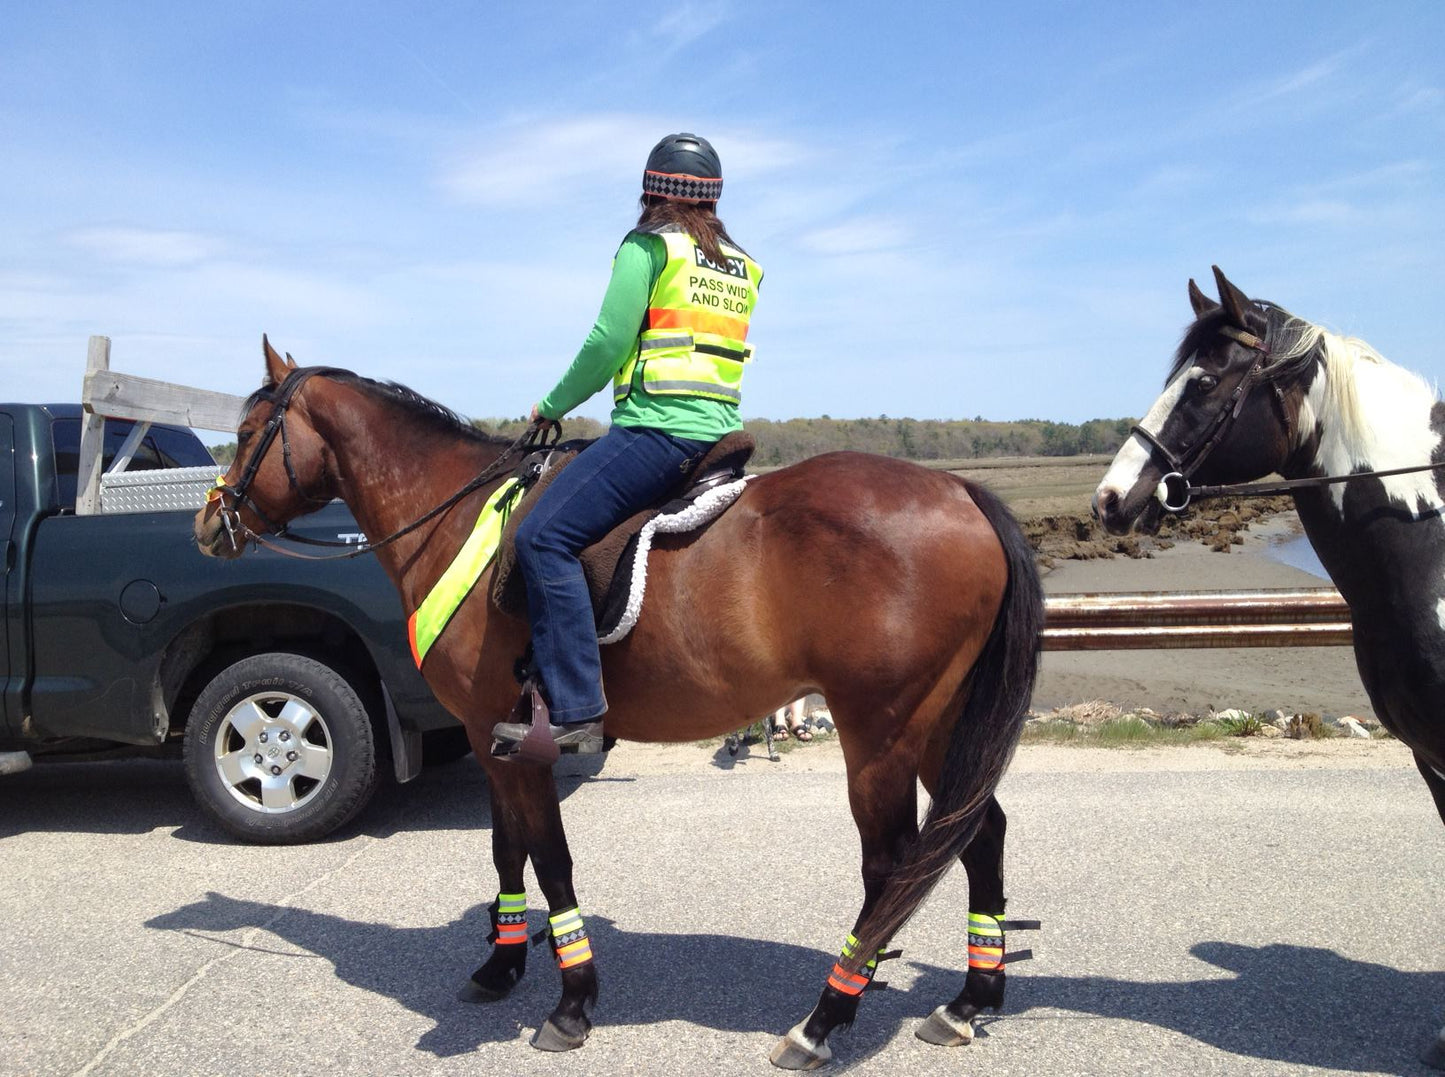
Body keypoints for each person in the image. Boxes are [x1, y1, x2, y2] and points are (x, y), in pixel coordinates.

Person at [492, 132, 763, 760]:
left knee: (542, 538)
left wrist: (552, 406)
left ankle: (578, 709)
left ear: (651, 191)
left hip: (656, 433)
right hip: (720, 435)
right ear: (712, 198)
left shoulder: (648, 248)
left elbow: (608, 342)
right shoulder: (743, 265)